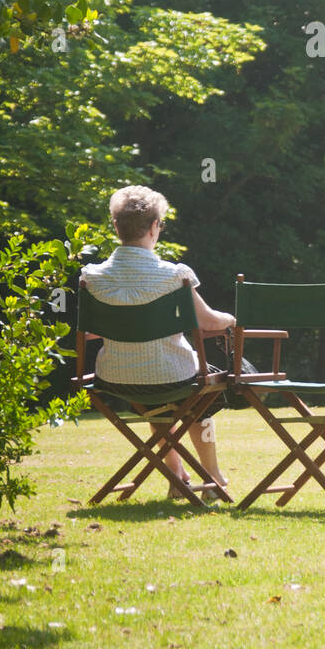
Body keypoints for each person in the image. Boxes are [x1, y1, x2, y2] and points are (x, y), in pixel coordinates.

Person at [81, 185, 236, 499]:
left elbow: (88, 333)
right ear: (154, 227)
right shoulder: (173, 275)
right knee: (196, 397)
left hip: (115, 379)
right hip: (172, 376)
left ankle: (177, 479)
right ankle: (212, 478)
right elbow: (207, 322)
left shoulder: (93, 276)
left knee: (159, 406)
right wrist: (232, 320)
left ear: (116, 226)